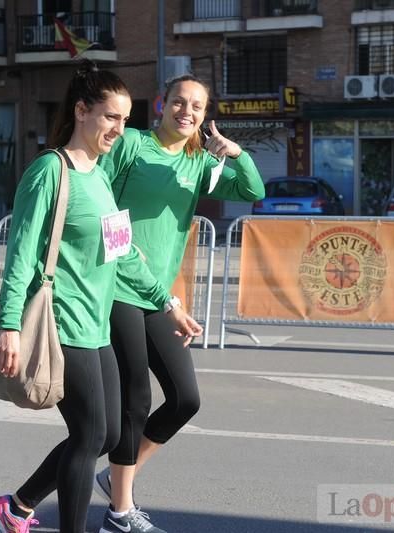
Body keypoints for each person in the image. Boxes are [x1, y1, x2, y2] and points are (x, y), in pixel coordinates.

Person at [0, 63, 202, 533]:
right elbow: (20, 253)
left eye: (124, 120)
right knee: (87, 436)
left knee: (113, 434)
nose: (118, 129)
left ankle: (17, 507)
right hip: (62, 323)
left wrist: (168, 303)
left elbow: (124, 258)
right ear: (82, 111)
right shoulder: (49, 170)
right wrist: (10, 325)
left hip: (97, 325)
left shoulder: (101, 177)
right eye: (110, 117)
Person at [94, 74, 265, 533]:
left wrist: (237, 153)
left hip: (159, 296)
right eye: (178, 102)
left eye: (196, 106)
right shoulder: (131, 144)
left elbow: (253, 192)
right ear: (161, 104)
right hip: (117, 287)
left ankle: (116, 480)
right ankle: (121, 512)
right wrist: (124, 250)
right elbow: (97, 198)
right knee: (136, 398)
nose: (186, 111)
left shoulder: (197, 162)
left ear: (205, 116)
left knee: (185, 400)